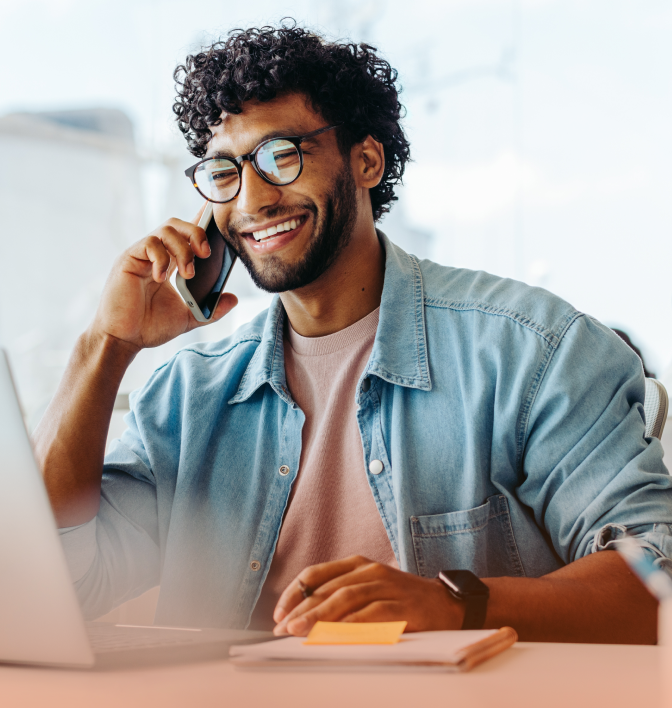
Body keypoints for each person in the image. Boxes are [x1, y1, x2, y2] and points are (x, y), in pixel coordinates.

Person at [34, 23, 672, 643]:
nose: (252, 200)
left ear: (366, 160)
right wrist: (106, 345)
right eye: (224, 172)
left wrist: (454, 604)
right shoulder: (189, 397)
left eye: (281, 157)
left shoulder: (528, 352)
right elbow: (58, 581)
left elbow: (656, 579)